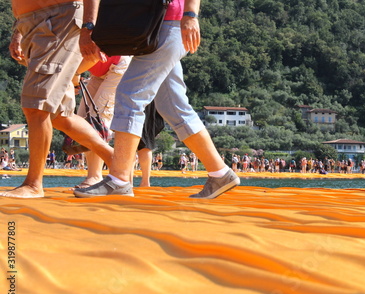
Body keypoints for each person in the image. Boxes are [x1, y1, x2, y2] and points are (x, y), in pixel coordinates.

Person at [75, 0, 240, 199]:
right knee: (173, 106)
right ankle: (220, 173)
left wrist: (190, 15)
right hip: (154, 24)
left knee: (130, 96)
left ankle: (119, 180)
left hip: (167, 21)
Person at [3, 0, 113, 198]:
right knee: (60, 116)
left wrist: (88, 28)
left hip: (59, 20)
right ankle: (117, 162)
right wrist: (18, 31)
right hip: (33, 24)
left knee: (37, 106)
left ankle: (34, 184)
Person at [73, 55, 131, 188]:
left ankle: (95, 176)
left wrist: (74, 76)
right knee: (82, 120)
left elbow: (92, 54)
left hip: (117, 66)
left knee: (98, 120)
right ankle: (93, 175)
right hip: (98, 71)